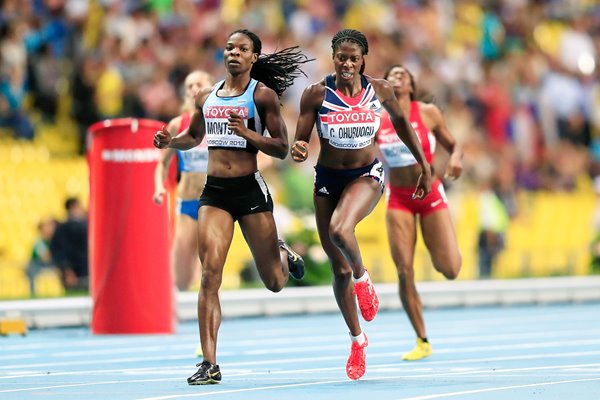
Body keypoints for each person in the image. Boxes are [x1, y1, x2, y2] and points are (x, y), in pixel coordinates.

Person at [153, 29, 311, 385]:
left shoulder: (263, 96)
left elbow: (280, 147)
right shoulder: (208, 97)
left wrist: (247, 134)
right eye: (229, 48)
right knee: (210, 274)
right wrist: (169, 142)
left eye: (242, 49)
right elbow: (193, 137)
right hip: (214, 194)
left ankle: (282, 253)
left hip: (249, 191)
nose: (234, 53)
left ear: (254, 57)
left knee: (274, 282)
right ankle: (210, 363)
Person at [290, 29, 432, 381]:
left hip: (366, 175)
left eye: (354, 58)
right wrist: (299, 148)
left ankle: (363, 278)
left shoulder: (380, 90)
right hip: (327, 180)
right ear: (333, 58)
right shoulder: (316, 94)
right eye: (342, 57)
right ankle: (357, 340)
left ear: (362, 60)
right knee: (337, 270)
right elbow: (300, 140)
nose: (348, 64)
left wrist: (425, 167)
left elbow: (403, 127)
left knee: (341, 228)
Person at [376, 65, 462, 361]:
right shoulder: (378, 118)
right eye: (392, 74)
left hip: (430, 194)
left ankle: (440, 241)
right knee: (403, 270)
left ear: (411, 84)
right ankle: (422, 339)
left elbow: (454, 145)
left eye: (403, 74)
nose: (397, 76)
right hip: (399, 197)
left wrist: (455, 161)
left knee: (449, 269)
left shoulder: (427, 112)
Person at [153, 70, 214, 292]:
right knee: (180, 277)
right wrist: (159, 187)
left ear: (210, 86)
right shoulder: (178, 124)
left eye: (198, 84)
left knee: (208, 269)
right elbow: (162, 162)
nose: (193, 89)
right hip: (187, 202)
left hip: (214, 202)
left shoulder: (221, 120)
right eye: (189, 86)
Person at [50, 197, 89, 291]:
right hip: (76, 274)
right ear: (73, 207)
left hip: (84, 272)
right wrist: (67, 271)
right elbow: (59, 252)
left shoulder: (61, 229)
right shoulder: (65, 229)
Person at [26, 217, 58, 296]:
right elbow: (45, 258)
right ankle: (33, 292)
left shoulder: (53, 241)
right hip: (37, 265)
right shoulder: (39, 243)